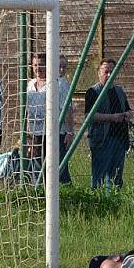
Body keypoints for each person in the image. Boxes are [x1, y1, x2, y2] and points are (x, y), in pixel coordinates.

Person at [85, 59, 131, 189]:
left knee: (116, 176)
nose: (109, 75)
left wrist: (127, 115)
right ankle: (98, 202)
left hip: (120, 139)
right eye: (106, 72)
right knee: (99, 176)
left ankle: (115, 202)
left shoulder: (120, 91)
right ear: (99, 73)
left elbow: (128, 109)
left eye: (112, 71)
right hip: (102, 139)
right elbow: (89, 116)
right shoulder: (93, 91)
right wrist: (112, 117)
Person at [25, 53, 48, 182]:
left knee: (49, 165)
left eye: (41, 65)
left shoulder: (53, 84)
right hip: (33, 132)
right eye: (35, 65)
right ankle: (37, 190)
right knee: (35, 163)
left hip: (48, 132)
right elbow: (27, 110)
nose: (38, 68)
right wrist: (28, 133)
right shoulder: (30, 85)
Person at [58, 55, 75, 184]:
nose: (62, 70)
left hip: (61, 131)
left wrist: (69, 131)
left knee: (61, 162)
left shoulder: (64, 83)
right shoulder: (54, 82)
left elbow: (68, 109)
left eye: (64, 67)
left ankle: (66, 188)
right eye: (59, 66)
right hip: (45, 131)